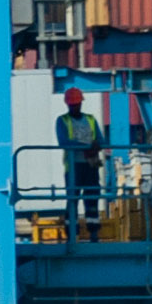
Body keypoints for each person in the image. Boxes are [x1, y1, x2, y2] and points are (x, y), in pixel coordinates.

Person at [55, 90, 106, 235]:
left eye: (77, 104)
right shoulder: (62, 120)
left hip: (91, 165)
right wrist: (86, 146)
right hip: (73, 167)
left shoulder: (90, 119)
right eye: (73, 104)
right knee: (73, 199)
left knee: (92, 199)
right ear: (68, 104)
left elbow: (101, 140)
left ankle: (94, 233)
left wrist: (96, 145)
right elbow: (63, 142)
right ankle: (71, 235)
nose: (75, 107)